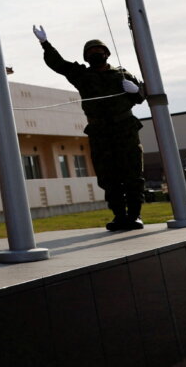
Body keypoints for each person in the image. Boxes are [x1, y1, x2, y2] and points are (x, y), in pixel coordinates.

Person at [33, 25, 146, 231]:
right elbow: (59, 64)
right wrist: (45, 44)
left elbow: (139, 98)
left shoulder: (121, 74)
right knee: (107, 176)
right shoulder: (81, 75)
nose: (96, 55)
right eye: (91, 53)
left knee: (132, 173)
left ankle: (135, 215)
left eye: (99, 51)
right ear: (86, 57)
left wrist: (137, 90)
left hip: (125, 129)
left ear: (106, 54)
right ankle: (119, 216)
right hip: (100, 132)